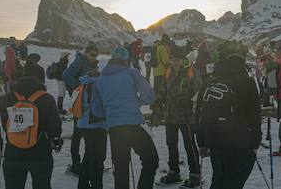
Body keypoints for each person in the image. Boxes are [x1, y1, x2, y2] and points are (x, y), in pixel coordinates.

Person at [88, 47, 158, 189]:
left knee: (120, 168)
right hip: (132, 125)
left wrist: (110, 112)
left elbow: (96, 109)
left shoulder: (100, 79)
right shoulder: (131, 72)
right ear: (126, 60)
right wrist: (137, 102)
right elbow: (150, 96)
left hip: (114, 128)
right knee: (151, 159)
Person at [196, 56, 262, 189]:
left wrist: (201, 141)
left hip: (214, 138)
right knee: (234, 180)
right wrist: (256, 141)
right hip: (240, 140)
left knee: (219, 178)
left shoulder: (209, 81)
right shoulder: (247, 82)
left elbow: (199, 112)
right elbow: (254, 114)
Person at [1, 76, 62, 189]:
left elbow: (5, 125)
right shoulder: (47, 99)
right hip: (40, 153)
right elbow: (55, 127)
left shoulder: (7, 98)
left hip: (13, 152)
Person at [154, 50, 203, 187]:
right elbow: (162, 90)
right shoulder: (168, 72)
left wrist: (190, 101)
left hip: (187, 116)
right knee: (171, 143)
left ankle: (195, 174)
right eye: (173, 59)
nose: (174, 62)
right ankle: (174, 172)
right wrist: (157, 101)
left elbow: (200, 91)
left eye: (177, 59)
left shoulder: (191, 72)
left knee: (189, 145)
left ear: (183, 60)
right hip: (170, 115)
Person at [63, 44, 107, 189]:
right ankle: (76, 161)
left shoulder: (92, 64)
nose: (95, 57)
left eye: (96, 55)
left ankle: (83, 171)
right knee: (77, 134)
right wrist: (80, 87)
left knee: (83, 137)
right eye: (92, 54)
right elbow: (66, 75)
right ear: (86, 53)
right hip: (82, 106)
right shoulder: (80, 62)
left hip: (88, 107)